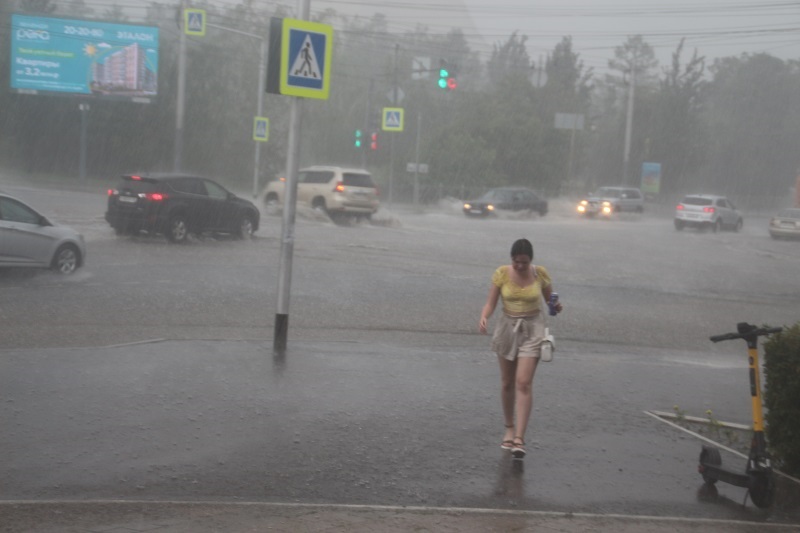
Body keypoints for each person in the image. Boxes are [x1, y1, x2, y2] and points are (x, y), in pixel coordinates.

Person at [478, 238, 562, 459]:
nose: (520, 267)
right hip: (507, 327)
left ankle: (520, 439)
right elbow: (490, 302)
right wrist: (484, 317)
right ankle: (509, 427)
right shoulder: (502, 273)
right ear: (511, 259)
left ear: (531, 260)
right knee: (507, 382)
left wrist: (557, 306)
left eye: (524, 262)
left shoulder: (540, 274)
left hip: (533, 329)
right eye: (516, 262)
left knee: (523, 382)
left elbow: (551, 302)